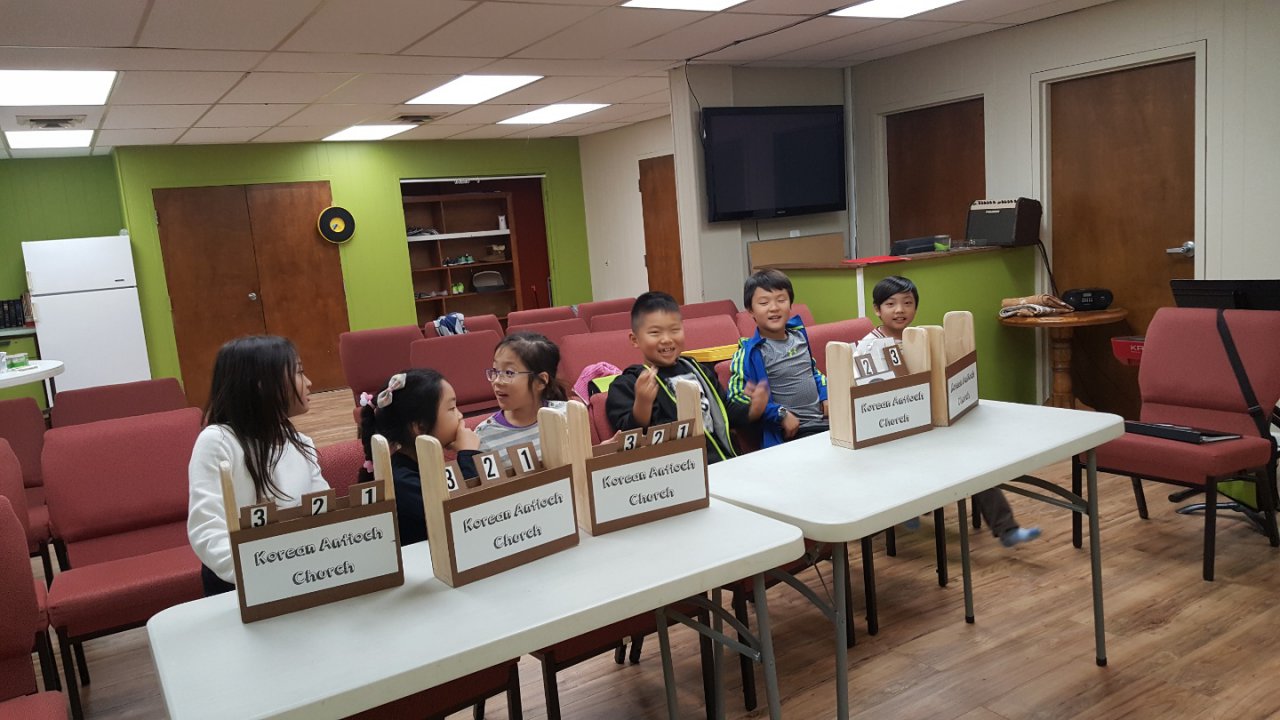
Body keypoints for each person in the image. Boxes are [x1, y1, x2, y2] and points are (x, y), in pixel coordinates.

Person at [864, 275, 1042, 548]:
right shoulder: (869, 346)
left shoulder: (924, 337)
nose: (900, 310)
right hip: (893, 432)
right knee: (933, 458)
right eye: (891, 304)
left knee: (975, 462)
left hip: (930, 425)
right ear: (877, 309)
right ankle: (908, 503)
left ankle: (1007, 529)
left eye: (907, 303)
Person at [188, 335, 328, 596]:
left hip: (298, 574)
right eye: (299, 372)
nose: (309, 382)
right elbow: (207, 530)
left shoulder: (301, 443)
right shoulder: (218, 442)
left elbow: (323, 511)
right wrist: (266, 571)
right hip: (239, 583)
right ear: (262, 385)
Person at [606, 291, 744, 463]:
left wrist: (754, 408)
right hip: (675, 470)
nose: (667, 339)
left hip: (724, 462)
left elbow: (723, 411)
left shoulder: (697, 369)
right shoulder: (628, 384)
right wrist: (642, 404)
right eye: (655, 333)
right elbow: (628, 441)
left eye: (674, 330)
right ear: (635, 339)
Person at [358, 369, 479, 545]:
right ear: (420, 427)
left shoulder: (427, 464)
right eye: (452, 408)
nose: (460, 416)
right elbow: (467, 517)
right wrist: (468, 454)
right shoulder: (401, 481)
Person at [727, 269, 828, 448]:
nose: (774, 308)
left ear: (790, 304)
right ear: (750, 310)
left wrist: (825, 394)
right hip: (792, 434)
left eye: (781, 300)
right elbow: (736, 399)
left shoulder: (799, 336)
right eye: (764, 302)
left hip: (824, 423)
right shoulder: (750, 352)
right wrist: (779, 413)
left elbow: (813, 371)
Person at [475, 331, 569, 466]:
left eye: (509, 373)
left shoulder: (568, 414)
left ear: (540, 381)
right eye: (495, 371)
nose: (497, 381)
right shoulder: (484, 436)